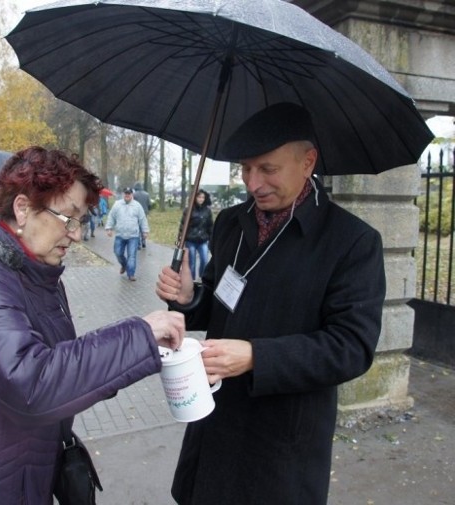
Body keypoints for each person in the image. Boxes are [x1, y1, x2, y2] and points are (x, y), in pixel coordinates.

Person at [0, 146, 185, 504]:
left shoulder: (35, 273)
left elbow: (62, 369)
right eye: (69, 218)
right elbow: (32, 383)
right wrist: (138, 335)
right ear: (22, 209)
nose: (78, 234)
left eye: (81, 221)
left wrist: (137, 349)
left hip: (14, 475)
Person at [155, 102, 386, 504]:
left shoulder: (352, 242)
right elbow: (219, 301)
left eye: (268, 169)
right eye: (246, 168)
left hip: (282, 444)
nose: (253, 183)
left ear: (307, 162)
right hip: (216, 423)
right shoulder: (231, 222)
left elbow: (351, 347)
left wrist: (257, 357)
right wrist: (191, 297)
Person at [105, 187, 149, 281]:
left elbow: (142, 219)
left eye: (129, 193)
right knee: (118, 253)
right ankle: (124, 265)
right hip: (120, 235)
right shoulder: (117, 204)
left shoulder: (137, 206)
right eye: (126, 193)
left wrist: (145, 231)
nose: (127, 195)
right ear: (123, 194)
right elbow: (111, 216)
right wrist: (109, 228)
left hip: (133, 236)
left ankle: (131, 274)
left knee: (132, 256)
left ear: (132, 195)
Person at [179, 188, 213, 280]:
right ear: (194, 198)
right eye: (199, 197)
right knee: (192, 263)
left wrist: (211, 239)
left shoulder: (207, 211)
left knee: (204, 260)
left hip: (203, 240)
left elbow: (210, 226)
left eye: (203, 197)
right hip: (191, 240)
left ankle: (203, 278)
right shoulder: (188, 210)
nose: (201, 199)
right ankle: (192, 281)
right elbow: (183, 225)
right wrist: (181, 239)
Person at [133, 182, 151, 248]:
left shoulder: (134, 195)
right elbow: (149, 204)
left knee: (137, 228)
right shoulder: (147, 194)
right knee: (143, 227)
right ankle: (144, 241)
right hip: (144, 213)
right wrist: (148, 210)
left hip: (136, 213)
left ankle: (138, 243)